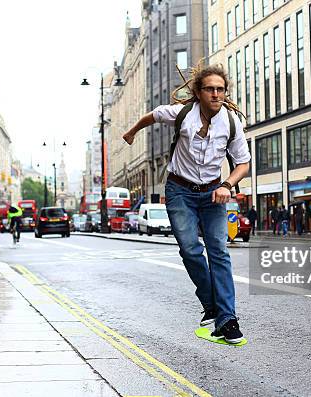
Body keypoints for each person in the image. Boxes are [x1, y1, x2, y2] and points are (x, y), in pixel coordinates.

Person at [122, 63, 250, 344]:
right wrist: (131, 132)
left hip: (214, 192)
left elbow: (243, 162)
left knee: (218, 251)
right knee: (191, 250)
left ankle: (227, 318)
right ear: (198, 92)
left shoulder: (230, 122)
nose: (216, 94)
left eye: (220, 89)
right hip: (180, 190)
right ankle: (212, 305)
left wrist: (227, 185)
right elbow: (152, 116)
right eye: (209, 89)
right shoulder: (182, 115)